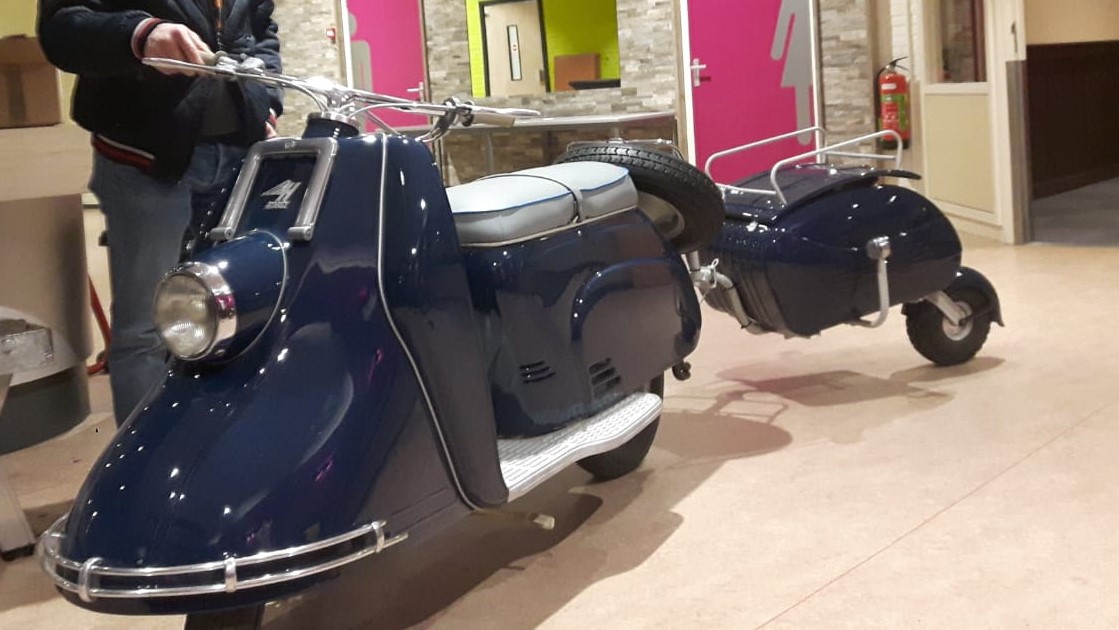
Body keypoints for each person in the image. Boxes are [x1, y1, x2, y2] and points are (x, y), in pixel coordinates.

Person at [37, 0, 283, 426]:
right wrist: (140, 35)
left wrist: (265, 100)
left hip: (239, 158)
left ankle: (208, 442)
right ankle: (149, 460)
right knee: (148, 331)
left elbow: (261, 30)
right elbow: (62, 29)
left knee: (230, 316)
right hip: (144, 158)